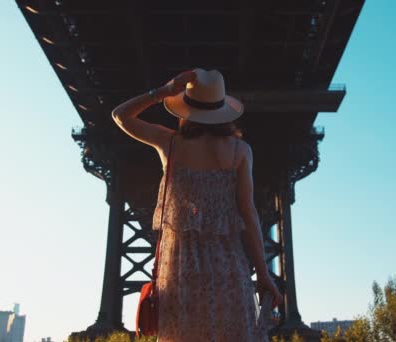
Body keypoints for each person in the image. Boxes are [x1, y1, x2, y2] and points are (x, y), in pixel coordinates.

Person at [111, 68, 283, 341]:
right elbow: (248, 214)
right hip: (228, 267)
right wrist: (263, 275)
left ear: (186, 110)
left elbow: (120, 115)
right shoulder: (240, 152)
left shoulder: (169, 143)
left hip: (181, 269)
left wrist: (163, 92)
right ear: (222, 111)